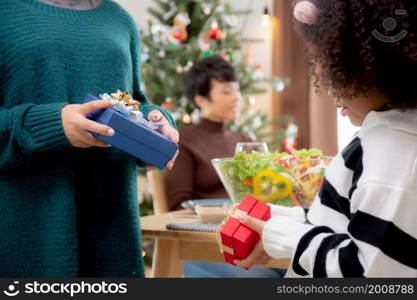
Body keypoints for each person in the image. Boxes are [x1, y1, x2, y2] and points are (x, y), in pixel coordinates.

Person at [233, 0, 417, 277]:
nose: (328, 86)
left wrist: (291, 238)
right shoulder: (388, 134)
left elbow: (371, 272)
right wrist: (287, 219)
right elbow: (358, 223)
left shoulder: (393, 149)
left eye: (334, 69)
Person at [0, 0, 178, 277]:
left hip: (113, 232)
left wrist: (154, 119)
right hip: (27, 232)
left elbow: (130, 101)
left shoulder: (119, 20)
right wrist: (51, 124)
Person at [165, 55, 285, 278]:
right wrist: (229, 213)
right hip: (207, 245)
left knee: (307, 267)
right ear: (201, 99)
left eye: (237, 90)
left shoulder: (244, 139)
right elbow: (176, 206)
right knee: (264, 278)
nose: (236, 97)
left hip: (252, 238)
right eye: (227, 91)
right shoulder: (183, 140)